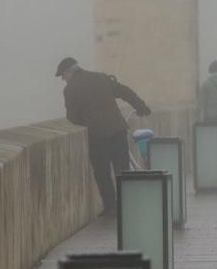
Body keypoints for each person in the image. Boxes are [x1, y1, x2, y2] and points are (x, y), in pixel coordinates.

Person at [57, 56, 151, 217]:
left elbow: (72, 117)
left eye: (62, 76)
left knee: (102, 172)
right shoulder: (100, 77)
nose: (63, 80)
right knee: (122, 169)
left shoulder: (70, 89)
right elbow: (125, 92)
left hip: (97, 134)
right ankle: (126, 204)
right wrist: (141, 106)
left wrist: (86, 119)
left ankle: (111, 207)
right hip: (117, 129)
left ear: (68, 72)